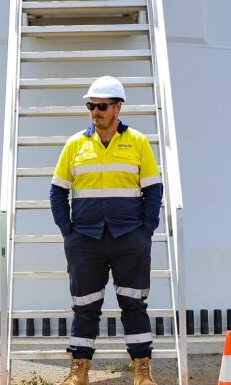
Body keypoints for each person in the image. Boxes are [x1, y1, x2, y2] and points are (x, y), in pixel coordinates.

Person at [50, 75, 163, 385]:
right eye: (91, 106)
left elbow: (153, 191)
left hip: (130, 239)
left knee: (133, 305)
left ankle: (142, 370)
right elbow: (58, 191)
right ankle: (79, 371)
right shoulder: (75, 144)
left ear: (118, 107)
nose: (95, 111)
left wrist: (145, 231)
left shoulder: (138, 142)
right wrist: (68, 233)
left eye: (101, 106)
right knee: (85, 307)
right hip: (85, 240)